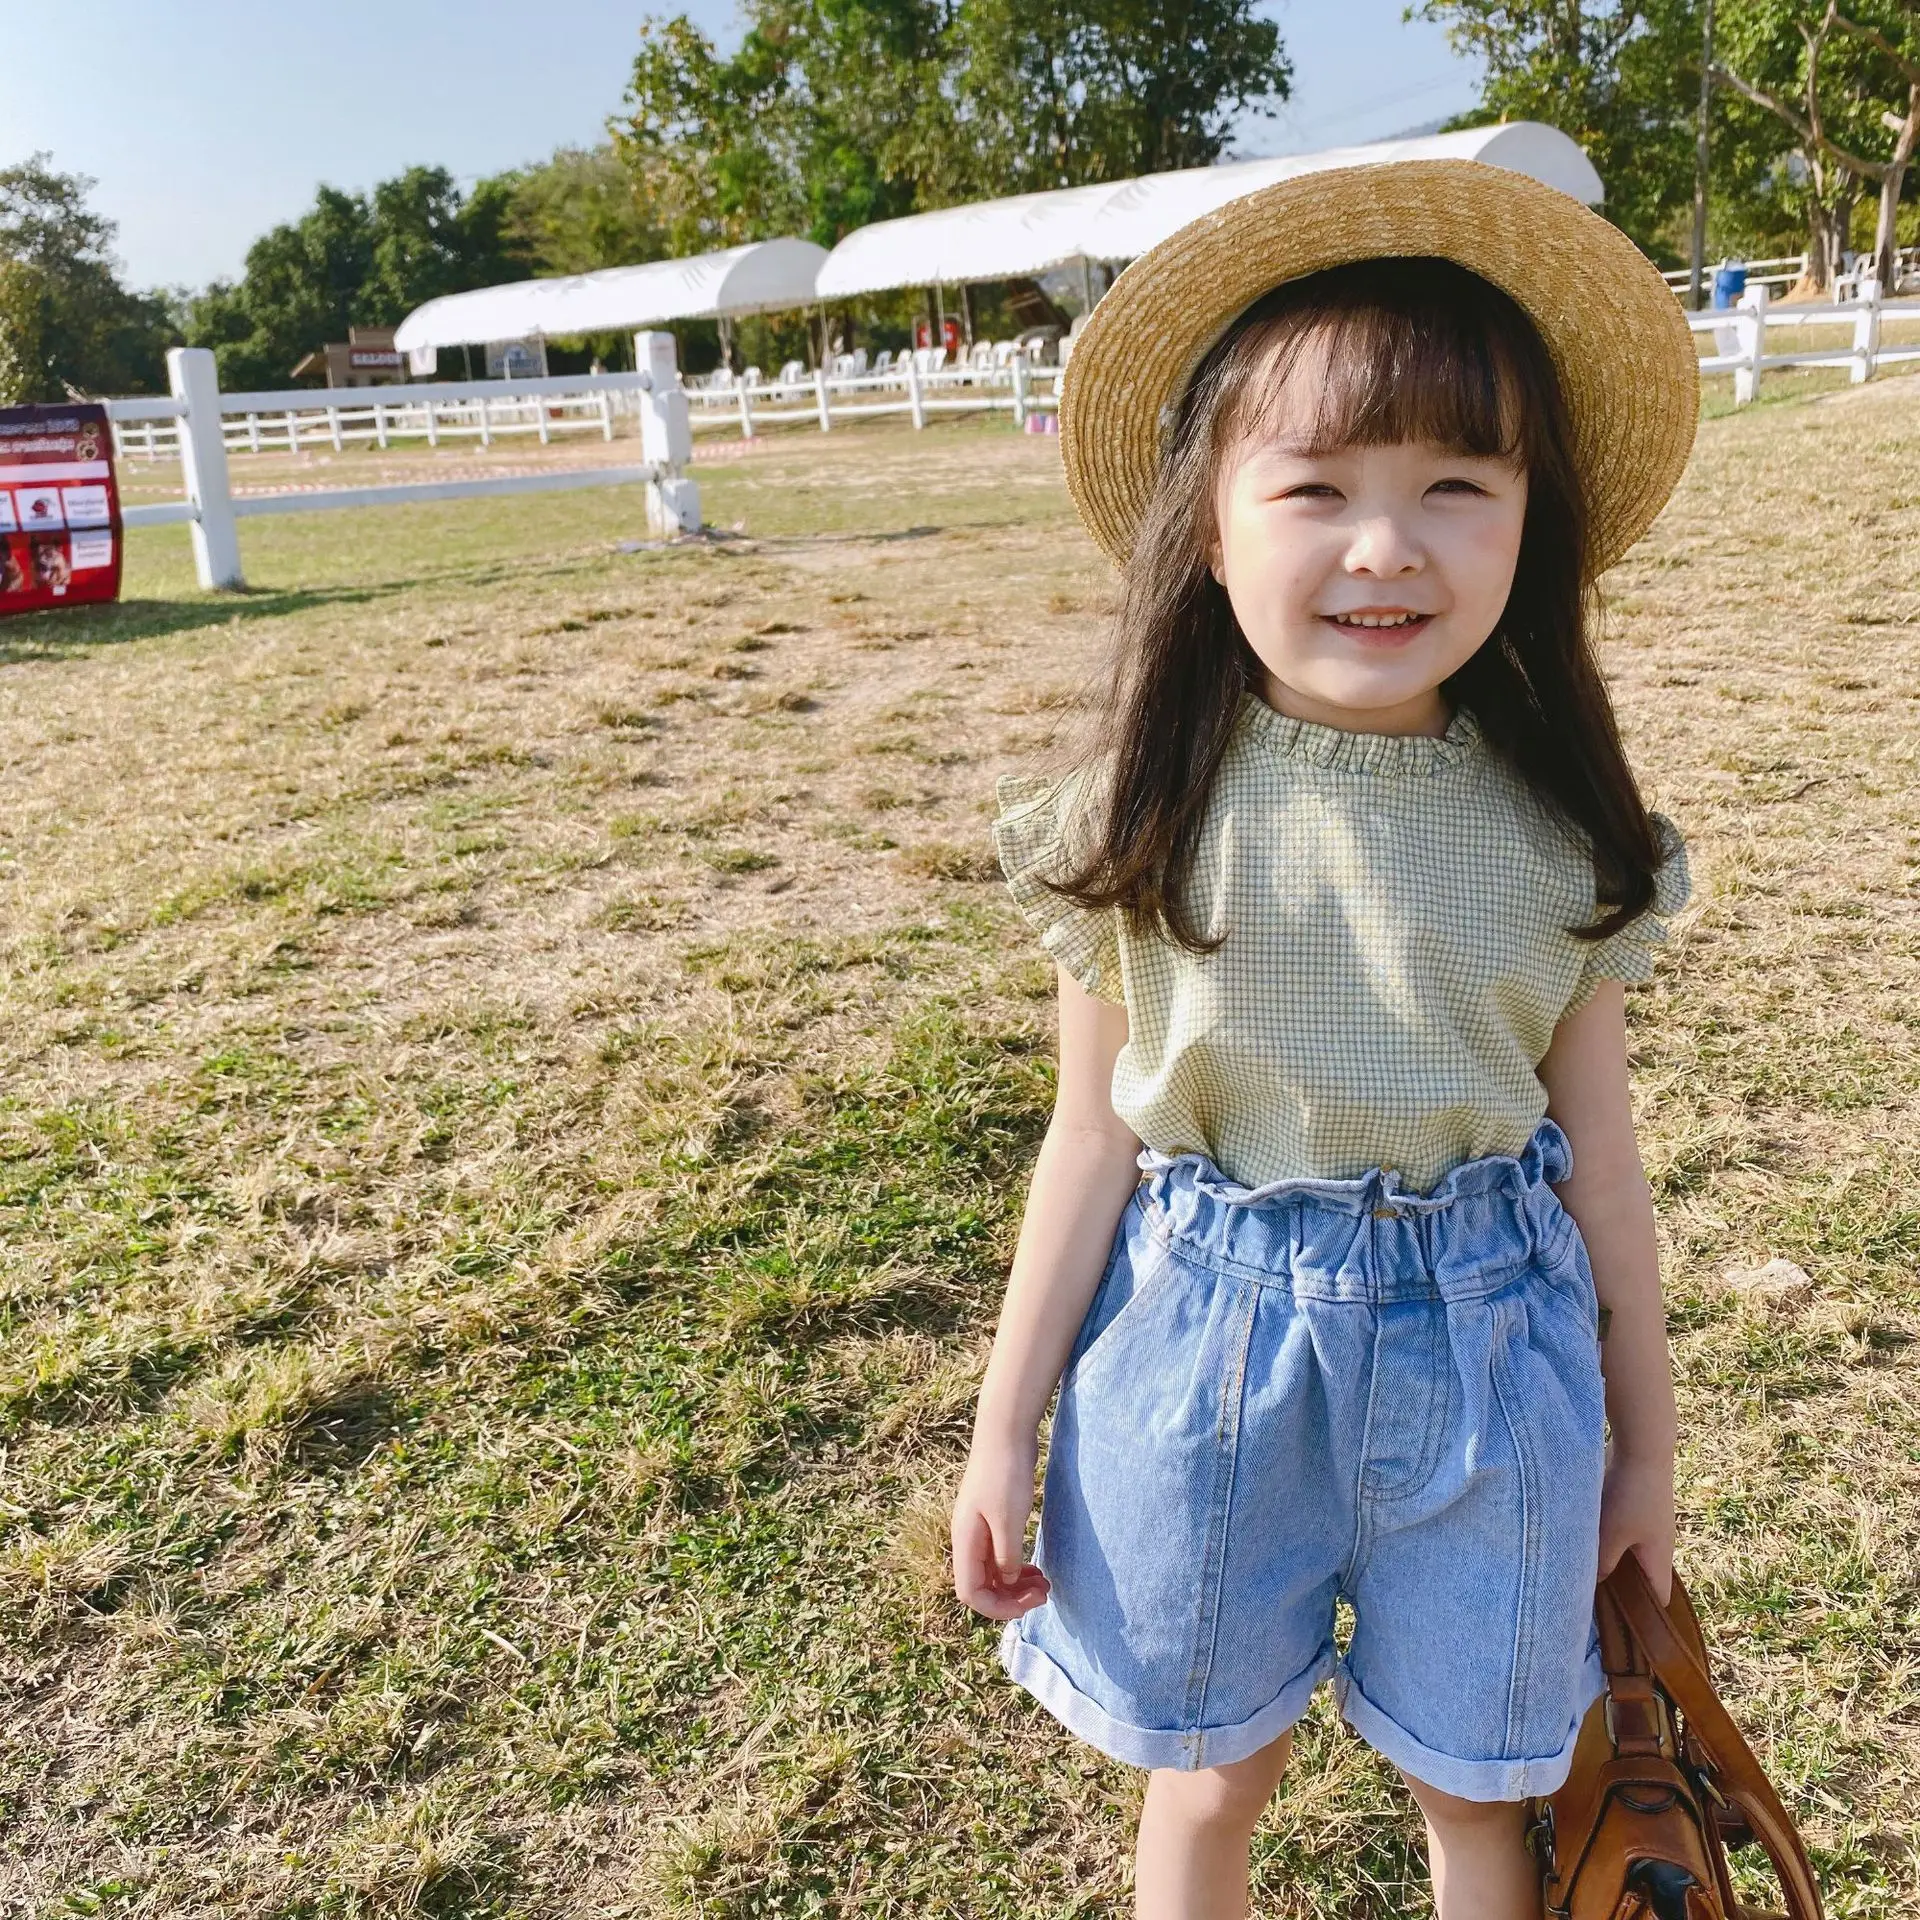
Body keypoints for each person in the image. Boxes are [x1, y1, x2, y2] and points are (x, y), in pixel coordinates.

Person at [949, 161, 1701, 1920]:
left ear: (1532, 524)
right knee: (1211, 1778)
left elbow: (1602, 1168)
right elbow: (1089, 1141)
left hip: (1500, 1370)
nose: (1386, 546)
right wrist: (1001, 1427)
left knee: (1478, 1788)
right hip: (1201, 1352)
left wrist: (1647, 1447)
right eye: (1315, 487)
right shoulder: (1135, 822)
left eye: (1457, 485)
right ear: (1210, 528)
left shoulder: (1562, 841)